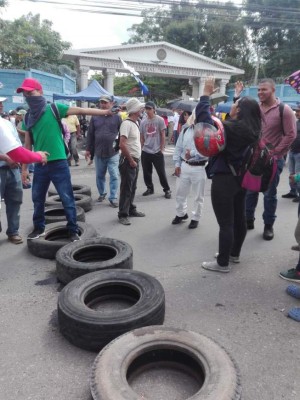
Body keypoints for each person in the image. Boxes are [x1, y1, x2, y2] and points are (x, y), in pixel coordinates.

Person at [16, 77, 116, 241]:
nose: (28, 96)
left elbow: (81, 111)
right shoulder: (28, 117)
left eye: (30, 92)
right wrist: (25, 170)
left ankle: (72, 230)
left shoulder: (54, 108)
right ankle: (39, 227)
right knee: (38, 199)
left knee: (66, 197)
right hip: (40, 164)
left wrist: (105, 112)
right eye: (25, 94)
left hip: (59, 163)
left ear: (40, 92)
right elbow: (27, 146)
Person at [200, 78, 261, 273]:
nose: (233, 106)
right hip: (241, 179)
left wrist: (205, 95)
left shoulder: (231, 128)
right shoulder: (254, 129)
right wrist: (238, 96)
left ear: (240, 111)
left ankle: (222, 263)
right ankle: (234, 254)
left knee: (225, 223)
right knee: (239, 218)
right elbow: (239, 114)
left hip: (224, 179)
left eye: (235, 105)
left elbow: (204, 124)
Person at [243, 78, 296, 240]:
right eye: (258, 90)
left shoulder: (284, 110)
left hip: (273, 161)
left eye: (264, 90)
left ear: (273, 90)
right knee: (250, 191)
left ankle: (268, 226)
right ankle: (248, 220)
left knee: (269, 194)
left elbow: (291, 134)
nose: (260, 93)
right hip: (254, 158)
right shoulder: (256, 108)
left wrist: (275, 153)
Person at [172, 110, 208, 229]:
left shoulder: (207, 132)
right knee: (180, 192)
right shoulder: (186, 130)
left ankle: (196, 217)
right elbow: (178, 148)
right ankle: (181, 214)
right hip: (184, 166)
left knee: (198, 196)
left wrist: (192, 153)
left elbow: (208, 152)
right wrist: (177, 164)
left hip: (199, 167)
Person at [85, 95, 122, 207]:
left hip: (113, 152)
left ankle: (113, 197)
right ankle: (102, 193)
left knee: (114, 175)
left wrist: (121, 146)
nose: (103, 104)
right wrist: (88, 149)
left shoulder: (117, 117)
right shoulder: (95, 117)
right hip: (98, 152)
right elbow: (90, 134)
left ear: (111, 103)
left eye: (105, 102)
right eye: (101, 102)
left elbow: (122, 133)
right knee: (100, 175)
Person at [118, 98, 145, 226]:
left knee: (132, 187)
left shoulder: (136, 122)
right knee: (126, 188)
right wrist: (130, 160)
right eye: (140, 108)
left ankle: (130, 208)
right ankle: (123, 214)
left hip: (134, 159)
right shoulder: (126, 124)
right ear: (135, 110)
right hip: (129, 160)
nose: (142, 110)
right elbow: (122, 145)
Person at [140, 101, 171, 199]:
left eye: (149, 109)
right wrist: (142, 148)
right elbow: (141, 136)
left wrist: (162, 148)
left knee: (161, 172)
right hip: (146, 151)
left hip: (157, 151)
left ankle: (167, 189)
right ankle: (150, 188)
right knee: (146, 172)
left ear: (154, 109)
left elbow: (162, 135)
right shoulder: (143, 121)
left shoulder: (160, 120)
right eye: (146, 109)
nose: (148, 111)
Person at [281, 103, 300, 202]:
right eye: (296, 111)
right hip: (292, 151)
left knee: (298, 174)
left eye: (298, 111)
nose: (297, 113)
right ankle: (293, 191)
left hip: (299, 153)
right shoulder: (296, 122)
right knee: (291, 173)